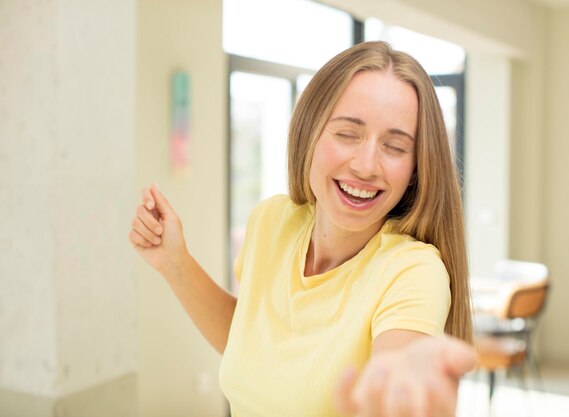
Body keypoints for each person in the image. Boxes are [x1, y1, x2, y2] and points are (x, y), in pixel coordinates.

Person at [129, 41, 476, 417]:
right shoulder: (271, 222)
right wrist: (174, 262)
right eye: (348, 133)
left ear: (415, 171)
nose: (366, 165)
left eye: (394, 146)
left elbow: (396, 385)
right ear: (309, 132)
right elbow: (249, 342)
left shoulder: (414, 271)